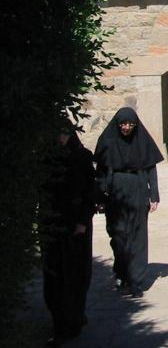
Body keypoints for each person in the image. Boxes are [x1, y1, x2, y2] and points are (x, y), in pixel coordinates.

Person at [95, 107, 163, 298]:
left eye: (130, 125)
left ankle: (136, 280)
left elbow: (151, 168)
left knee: (138, 237)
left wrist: (154, 195)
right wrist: (99, 197)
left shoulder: (142, 141)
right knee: (118, 236)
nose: (127, 128)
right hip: (116, 193)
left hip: (138, 190)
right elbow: (101, 172)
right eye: (123, 124)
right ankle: (121, 273)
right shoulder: (107, 141)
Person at [41, 128, 96, 346]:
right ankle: (60, 322)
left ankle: (73, 319)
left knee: (75, 273)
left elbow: (89, 191)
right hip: (52, 223)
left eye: (64, 133)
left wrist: (83, 221)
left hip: (76, 224)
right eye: (57, 133)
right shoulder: (47, 158)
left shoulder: (81, 157)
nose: (60, 137)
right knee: (54, 275)